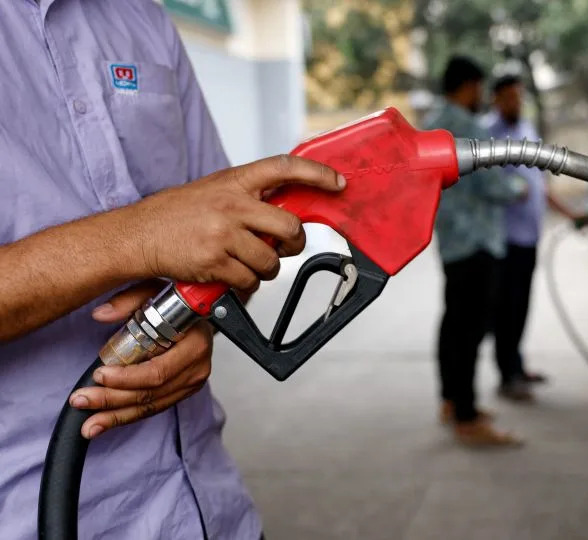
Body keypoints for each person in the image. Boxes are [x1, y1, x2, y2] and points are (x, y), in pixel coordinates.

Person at [0, 2, 345, 538]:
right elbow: (157, 231)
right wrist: (135, 236)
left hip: (205, 509)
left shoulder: (140, 17)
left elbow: (221, 248)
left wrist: (196, 317)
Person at [422, 57, 527, 446]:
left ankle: (451, 401)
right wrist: (521, 188)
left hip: (451, 242)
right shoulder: (466, 128)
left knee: (453, 325)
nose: (481, 96)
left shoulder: (432, 124)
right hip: (478, 244)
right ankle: (467, 417)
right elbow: (495, 186)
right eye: (479, 88)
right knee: (469, 331)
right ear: (468, 86)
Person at [485, 74, 584, 401]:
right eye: (509, 97)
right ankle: (507, 375)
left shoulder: (526, 130)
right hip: (504, 239)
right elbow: (488, 187)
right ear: (495, 99)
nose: (515, 103)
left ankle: (517, 365)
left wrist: (570, 214)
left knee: (521, 305)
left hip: (529, 237)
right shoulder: (488, 135)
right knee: (506, 308)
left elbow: (540, 183)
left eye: (519, 97)